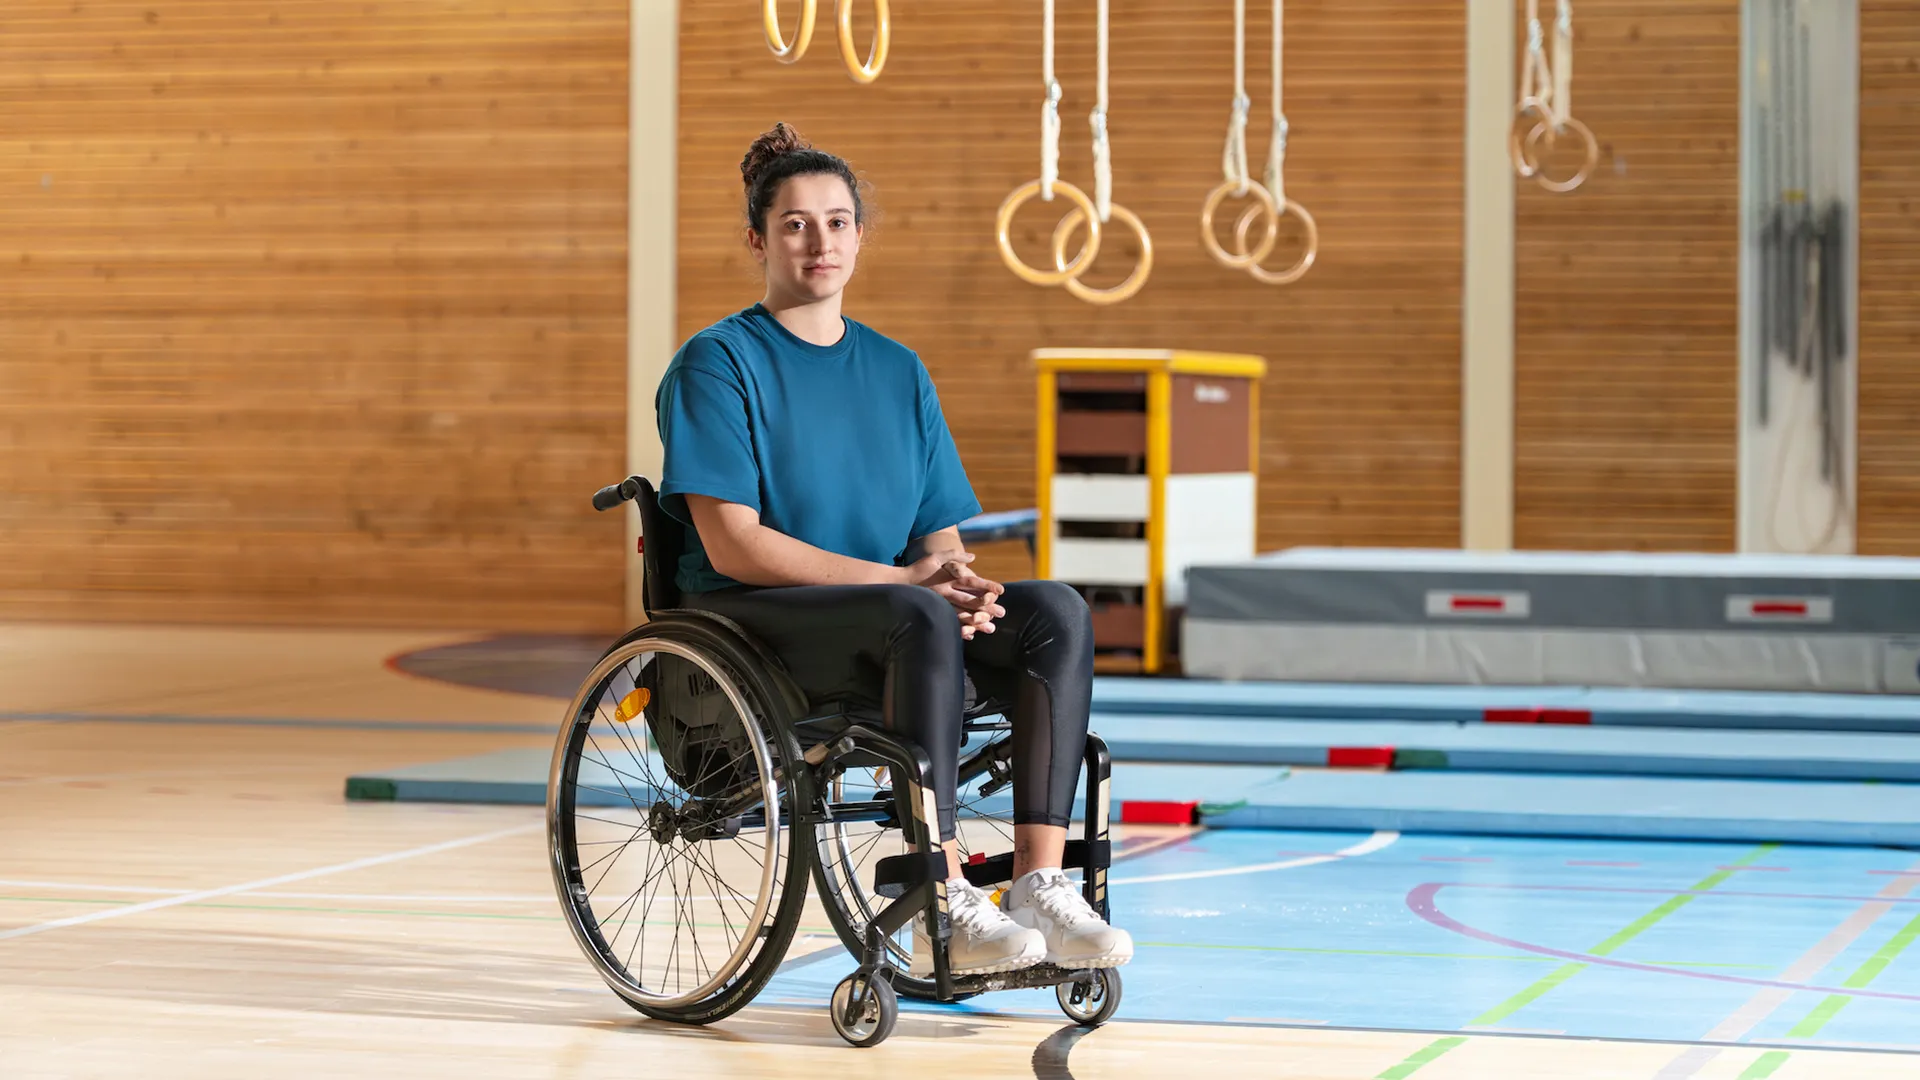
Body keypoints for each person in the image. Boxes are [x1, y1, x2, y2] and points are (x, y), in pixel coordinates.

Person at [653, 122, 1132, 976]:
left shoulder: (899, 370)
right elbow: (733, 545)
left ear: (860, 237)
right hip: (765, 620)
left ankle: (1038, 883)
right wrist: (910, 582)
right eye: (796, 224)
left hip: (893, 609)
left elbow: (935, 534)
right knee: (916, 609)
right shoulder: (716, 365)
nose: (819, 241)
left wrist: (957, 580)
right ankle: (940, 899)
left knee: (1052, 607)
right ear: (758, 238)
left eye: (838, 221)